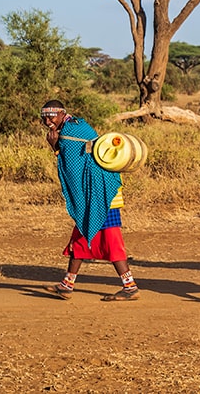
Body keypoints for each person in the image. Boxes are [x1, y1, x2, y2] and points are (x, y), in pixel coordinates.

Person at [40, 100, 140, 301]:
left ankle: (130, 287)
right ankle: (67, 284)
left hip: (102, 195)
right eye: (44, 116)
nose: (48, 120)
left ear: (62, 114)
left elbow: (72, 168)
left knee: (111, 241)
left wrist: (55, 148)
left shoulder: (70, 133)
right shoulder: (73, 126)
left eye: (52, 116)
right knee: (81, 237)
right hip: (93, 193)